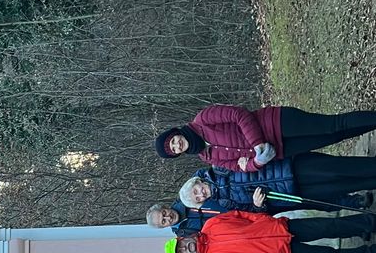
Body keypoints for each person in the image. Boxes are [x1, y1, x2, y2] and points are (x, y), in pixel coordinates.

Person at [153, 105, 376, 172]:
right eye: (173, 150)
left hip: (277, 123)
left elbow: (237, 115)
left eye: (173, 141)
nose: (176, 145)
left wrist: (257, 144)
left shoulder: (202, 120)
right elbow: (240, 168)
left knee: (333, 125)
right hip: (279, 150)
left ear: (176, 133)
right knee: (334, 137)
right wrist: (257, 162)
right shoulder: (207, 157)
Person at [165, 210, 376, 253]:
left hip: (282, 228)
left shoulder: (211, 224)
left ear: (183, 238)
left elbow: (241, 215)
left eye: (181, 245)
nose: (185, 248)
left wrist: (265, 220)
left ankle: (368, 223)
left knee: (330, 226)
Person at [179, 157, 374, 215]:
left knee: (337, 169)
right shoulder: (224, 202)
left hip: (289, 168)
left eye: (196, 190)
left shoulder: (219, 167)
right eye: (198, 198)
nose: (201, 194)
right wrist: (258, 205)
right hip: (288, 194)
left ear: (197, 182)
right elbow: (252, 212)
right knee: (334, 189)